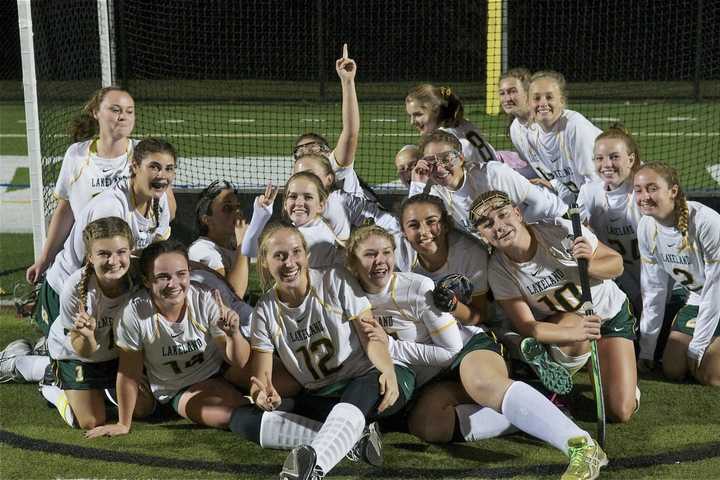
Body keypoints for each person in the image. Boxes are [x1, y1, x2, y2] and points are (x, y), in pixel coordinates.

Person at [346, 225, 609, 480]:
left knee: (483, 384)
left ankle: (582, 446)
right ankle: (540, 401)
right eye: (370, 255)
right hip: (429, 374)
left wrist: (390, 347)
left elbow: (450, 351)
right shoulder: (348, 297)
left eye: (386, 253)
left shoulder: (417, 287)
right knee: (429, 425)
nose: (380, 261)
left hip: (464, 349)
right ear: (352, 263)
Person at [229, 223, 410, 479]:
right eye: (279, 256)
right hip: (323, 396)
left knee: (356, 395)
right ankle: (355, 442)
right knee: (242, 419)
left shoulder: (334, 279)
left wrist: (387, 368)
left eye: (296, 252)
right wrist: (263, 396)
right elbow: (261, 379)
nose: (290, 262)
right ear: (265, 263)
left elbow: (371, 335)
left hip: (372, 378)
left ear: (306, 255)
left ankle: (312, 469)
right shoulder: (265, 311)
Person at [473, 190, 639, 423]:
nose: (498, 226)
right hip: (571, 322)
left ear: (518, 214)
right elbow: (529, 326)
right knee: (572, 328)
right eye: (488, 224)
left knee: (620, 411)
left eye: (503, 215)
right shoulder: (498, 270)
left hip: (609, 314)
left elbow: (616, 264)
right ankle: (555, 377)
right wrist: (576, 333)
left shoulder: (559, 230)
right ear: (481, 235)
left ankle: (596, 368)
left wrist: (589, 266)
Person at [85, 240, 250, 438]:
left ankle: (278, 406)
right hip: (180, 388)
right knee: (227, 415)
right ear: (147, 281)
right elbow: (129, 372)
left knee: (285, 383)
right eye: (163, 277)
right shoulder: (134, 312)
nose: (174, 284)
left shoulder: (204, 297)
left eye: (181, 274)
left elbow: (239, 361)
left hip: (220, 369)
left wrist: (234, 335)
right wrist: (123, 424)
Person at [26, 87, 175, 285]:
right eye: (116, 110)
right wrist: (44, 259)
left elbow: (166, 210)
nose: (123, 116)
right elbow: (65, 210)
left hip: (124, 262)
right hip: (85, 261)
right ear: (96, 112)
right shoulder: (76, 155)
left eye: (129, 111)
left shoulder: (147, 156)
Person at [35, 138, 175, 336]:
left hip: (110, 289)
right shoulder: (111, 208)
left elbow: (158, 251)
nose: (162, 176)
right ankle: (20, 360)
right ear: (135, 166)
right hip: (72, 292)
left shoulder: (158, 201)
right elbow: (103, 266)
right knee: (84, 358)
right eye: (154, 167)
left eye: (169, 168)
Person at [44, 217, 155, 429]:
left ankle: (105, 390)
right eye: (104, 254)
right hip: (80, 356)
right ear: (90, 258)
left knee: (144, 409)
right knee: (90, 421)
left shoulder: (140, 273)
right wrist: (86, 336)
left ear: (131, 250)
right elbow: (83, 350)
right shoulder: (75, 291)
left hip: (117, 355)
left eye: (121, 252)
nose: (114, 261)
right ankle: (52, 385)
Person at [634, 163, 720, 386]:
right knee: (673, 369)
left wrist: (698, 346)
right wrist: (647, 350)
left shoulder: (705, 222)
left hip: (716, 296)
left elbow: (715, 287)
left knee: (710, 375)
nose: (644, 196)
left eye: (652, 188)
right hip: (699, 299)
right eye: (639, 189)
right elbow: (654, 290)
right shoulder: (646, 227)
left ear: (673, 191)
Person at [409, 129, 568, 237]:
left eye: (447, 159)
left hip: (554, 220)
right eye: (431, 162)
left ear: (461, 158)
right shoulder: (437, 195)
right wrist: (417, 183)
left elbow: (541, 204)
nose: (440, 167)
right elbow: (416, 226)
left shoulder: (493, 174)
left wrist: (510, 232)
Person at [577, 125, 643, 314]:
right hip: (619, 273)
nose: (606, 164)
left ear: (630, 159)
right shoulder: (589, 192)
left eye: (614, 157)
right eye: (600, 158)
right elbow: (575, 228)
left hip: (655, 272)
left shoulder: (644, 190)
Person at [399, 194, 490, 326]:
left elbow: (480, 315)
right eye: (413, 225)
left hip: (473, 326)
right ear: (403, 232)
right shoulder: (396, 254)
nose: (423, 231)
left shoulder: (471, 253)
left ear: (446, 224)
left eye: (431, 222)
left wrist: (454, 306)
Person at [517, 70, 602, 204]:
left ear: (561, 101)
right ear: (528, 103)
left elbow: (596, 182)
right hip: (579, 198)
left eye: (549, 97)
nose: (543, 103)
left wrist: (582, 218)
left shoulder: (574, 126)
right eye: (536, 98)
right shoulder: (530, 135)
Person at [241, 172, 346, 269]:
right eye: (293, 196)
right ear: (285, 204)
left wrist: (260, 216)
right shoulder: (320, 224)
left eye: (308, 197)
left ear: (321, 205)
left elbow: (249, 251)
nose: (299, 202)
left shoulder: (303, 236)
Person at [405, 84, 497, 165]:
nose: (412, 122)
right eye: (410, 116)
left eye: (418, 114)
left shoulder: (445, 140)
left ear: (436, 110)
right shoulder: (463, 123)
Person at [190, 180, 249, 299]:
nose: (237, 212)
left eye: (237, 207)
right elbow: (234, 297)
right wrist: (243, 243)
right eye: (227, 208)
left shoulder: (232, 243)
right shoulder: (201, 250)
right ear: (207, 220)